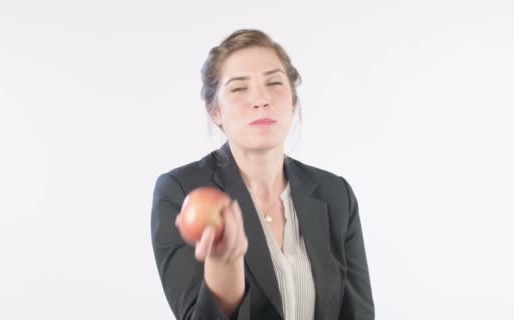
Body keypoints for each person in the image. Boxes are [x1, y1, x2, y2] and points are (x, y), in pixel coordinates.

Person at [151, 29, 374, 320]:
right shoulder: (181, 192)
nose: (260, 99)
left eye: (274, 83)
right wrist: (224, 267)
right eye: (239, 88)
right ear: (215, 111)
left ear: (293, 102)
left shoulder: (335, 193)